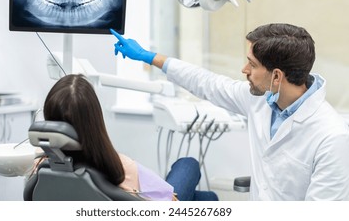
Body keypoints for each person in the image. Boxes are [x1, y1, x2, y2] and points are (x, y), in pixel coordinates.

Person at [111, 23, 349, 201]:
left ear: (276, 76)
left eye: (252, 64)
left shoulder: (332, 138)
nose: (244, 69)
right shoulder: (262, 100)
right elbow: (207, 83)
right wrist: (150, 57)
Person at [38, 73, 218, 201]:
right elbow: (172, 202)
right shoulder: (119, 168)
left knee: (205, 198)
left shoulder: (41, 169)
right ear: (94, 121)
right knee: (189, 165)